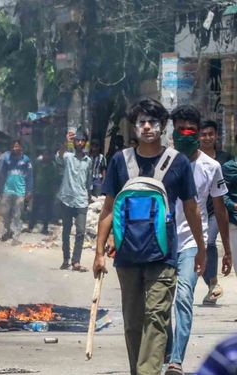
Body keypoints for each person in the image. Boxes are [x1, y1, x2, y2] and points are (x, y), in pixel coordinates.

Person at [93, 97, 203, 375]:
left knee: (156, 317)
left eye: (153, 122)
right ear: (134, 128)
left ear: (163, 126)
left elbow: (191, 208)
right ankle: (139, 370)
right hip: (127, 257)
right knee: (132, 321)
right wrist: (97, 253)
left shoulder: (177, 162)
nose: (147, 127)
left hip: (163, 256)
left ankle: (148, 372)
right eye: (141, 122)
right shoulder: (120, 161)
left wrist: (201, 247)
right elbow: (108, 208)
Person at [165, 105, 231, 375]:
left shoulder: (211, 166)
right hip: (163, 241)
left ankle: (175, 361)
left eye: (189, 129)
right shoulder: (163, 161)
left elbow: (220, 208)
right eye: (179, 129)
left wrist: (227, 250)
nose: (185, 134)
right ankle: (168, 347)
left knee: (183, 297)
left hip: (195, 242)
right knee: (159, 303)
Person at [199, 120, 232, 304]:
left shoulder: (224, 159)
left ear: (216, 135)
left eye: (210, 134)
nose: (207, 137)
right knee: (201, 247)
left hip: (217, 210)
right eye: (203, 134)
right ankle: (211, 283)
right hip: (197, 210)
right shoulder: (192, 158)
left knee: (209, 242)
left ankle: (213, 283)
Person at [57, 127, 92, 272]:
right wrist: (66, 142)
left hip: (81, 200)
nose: (79, 142)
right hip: (67, 199)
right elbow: (59, 156)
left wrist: (89, 196)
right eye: (77, 140)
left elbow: (88, 180)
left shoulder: (88, 161)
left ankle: (76, 261)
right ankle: (66, 259)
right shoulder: (67, 157)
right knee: (66, 231)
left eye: (82, 140)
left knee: (81, 231)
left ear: (85, 143)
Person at [0, 140, 33, 244]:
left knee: (17, 214)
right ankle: (6, 231)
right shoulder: (7, 159)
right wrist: (0, 189)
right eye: (13, 147)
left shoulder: (26, 160)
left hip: (20, 191)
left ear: (21, 147)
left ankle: (16, 236)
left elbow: (30, 176)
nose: (15, 148)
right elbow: (2, 174)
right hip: (7, 190)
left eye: (17, 146)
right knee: (5, 212)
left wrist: (29, 191)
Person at [27, 146, 55, 234]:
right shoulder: (37, 163)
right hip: (37, 190)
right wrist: (32, 188)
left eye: (47, 154)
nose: (46, 156)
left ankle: (45, 228)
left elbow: (55, 178)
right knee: (34, 209)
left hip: (48, 192)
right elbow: (33, 175)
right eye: (44, 154)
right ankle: (30, 226)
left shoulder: (52, 165)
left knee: (47, 211)